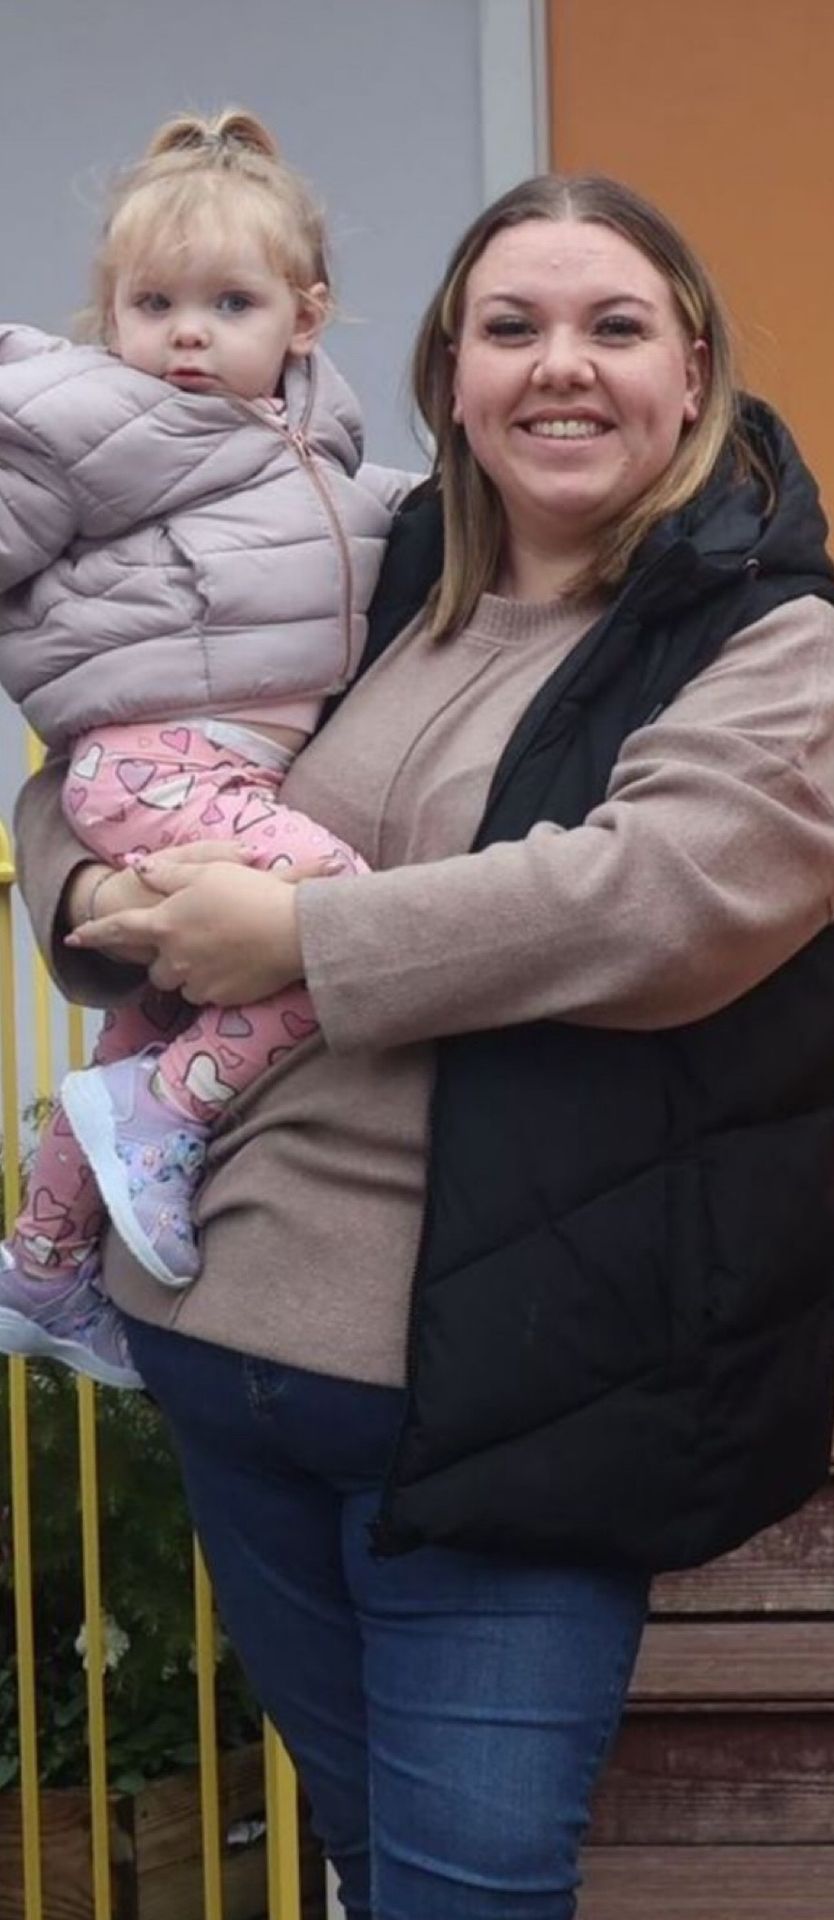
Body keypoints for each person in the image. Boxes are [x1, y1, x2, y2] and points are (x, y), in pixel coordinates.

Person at [17, 169, 834, 1920]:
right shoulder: (369, 568)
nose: (559, 367)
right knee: (374, 1870)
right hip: (227, 1357)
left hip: (511, 1391)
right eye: (513, 328)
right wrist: (100, 886)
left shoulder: (767, 638)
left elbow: (659, 894)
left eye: (612, 325)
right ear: (449, 371)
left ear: (693, 364)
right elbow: (106, 744)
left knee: (466, 1893)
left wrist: (302, 938)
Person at [0, 109, 410, 1381]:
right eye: (151, 301)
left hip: (223, 763)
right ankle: (168, 1119)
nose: (185, 332)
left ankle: (41, 1266)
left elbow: (368, 524)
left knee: (159, 1013)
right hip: (154, 760)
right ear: (108, 317)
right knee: (337, 918)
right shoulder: (86, 425)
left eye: (228, 302)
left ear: (305, 316)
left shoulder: (320, 450)